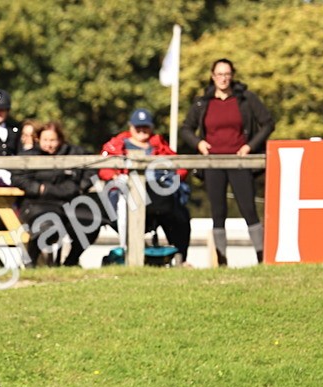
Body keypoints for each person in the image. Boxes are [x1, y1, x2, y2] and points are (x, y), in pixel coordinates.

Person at [180, 58, 274, 264]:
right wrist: (199, 143)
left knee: (248, 209)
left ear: (232, 76)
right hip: (213, 162)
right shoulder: (202, 102)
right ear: (212, 76)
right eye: (219, 74)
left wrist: (250, 146)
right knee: (218, 211)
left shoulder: (246, 99)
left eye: (227, 74)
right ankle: (221, 260)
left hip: (239, 161)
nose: (223, 79)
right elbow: (186, 128)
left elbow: (268, 124)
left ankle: (262, 257)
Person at [99, 108, 191, 262]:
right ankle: (127, 252)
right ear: (131, 127)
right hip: (124, 195)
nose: (142, 131)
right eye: (138, 127)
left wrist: (171, 179)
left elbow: (180, 167)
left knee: (180, 215)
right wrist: (116, 177)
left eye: (145, 127)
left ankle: (181, 257)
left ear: (151, 127)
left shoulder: (159, 146)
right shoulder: (117, 145)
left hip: (157, 196)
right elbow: (103, 169)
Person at [11, 121, 95, 266]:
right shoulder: (28, 156)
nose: (49, 144)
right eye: (45, 140)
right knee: (47, 225)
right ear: (38, 139)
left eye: (52, 140)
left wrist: (81, 186)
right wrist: (38, 188)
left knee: (91, 221)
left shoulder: (73, 153)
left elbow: (93, 167)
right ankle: (30, 262)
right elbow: (18, 178)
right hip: (36, 204)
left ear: (60, 139)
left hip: (66, 203)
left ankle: (70, 263)